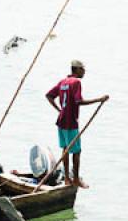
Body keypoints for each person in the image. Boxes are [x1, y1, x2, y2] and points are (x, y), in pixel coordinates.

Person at [45, 60, 109, 188]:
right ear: (76, 69)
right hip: (70, 122)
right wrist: (99, 99)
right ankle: (75, 179)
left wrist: (59, 110)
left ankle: (68, 179)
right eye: (82, 69)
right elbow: (78, 101)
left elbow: (49, 95)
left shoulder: (63, 82)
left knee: (65, 149)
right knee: (76, 151)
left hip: (61, 120)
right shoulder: (76, 82)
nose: (84, 71)